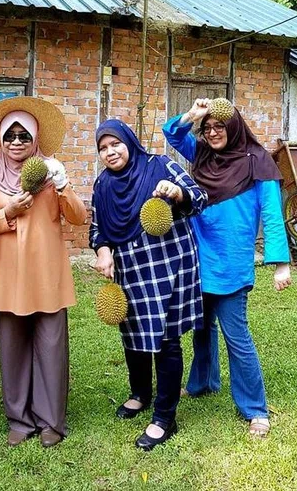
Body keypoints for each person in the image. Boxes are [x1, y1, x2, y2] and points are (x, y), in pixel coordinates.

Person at [163, 99, 291, 439]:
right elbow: (171, 133)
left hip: (232, 261)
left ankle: (255, 409)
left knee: (238, 337)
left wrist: (280, 264)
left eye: (220, 126)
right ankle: (203, 381)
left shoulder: (257, 160)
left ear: (234, 126)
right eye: (207, 128)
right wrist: (193, 115)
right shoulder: (202, 154)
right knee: (201, 327)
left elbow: (272, 215)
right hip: (198, 256)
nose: (213, 132)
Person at [0, 97, 87, 448]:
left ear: (36, 139)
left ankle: (51, 419)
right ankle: (19, 420)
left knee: (51, 345)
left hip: (46, 269)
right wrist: (7, 211)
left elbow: (79, 217)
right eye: (10, 136)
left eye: (24, 136)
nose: (17, 142)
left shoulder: (50, 172)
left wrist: (64, 186)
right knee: (13, 347)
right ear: (1, 142)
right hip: (8, 273)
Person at [91, 119, 207, 450]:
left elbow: (199, 197)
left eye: (115, 144)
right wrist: (103, 252)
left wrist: (177, 192)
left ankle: (164, 417)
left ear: (129, 141)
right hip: (129, 269)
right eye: (103, 148)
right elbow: (98, 229)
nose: (110, 152)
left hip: (169, 265)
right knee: (134, 335)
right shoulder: (103, 186)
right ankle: (140, 393)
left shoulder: (160, 165)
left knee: (167, 340)